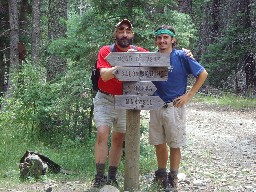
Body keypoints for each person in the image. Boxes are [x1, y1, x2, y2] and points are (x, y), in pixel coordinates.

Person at [149, 25, 208, 192]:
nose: (162, 41)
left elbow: (202, 73)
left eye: (165, 38)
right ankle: (161, 176)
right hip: (155, 105)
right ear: (156, 40)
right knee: (159, 143)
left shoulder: (182, 56)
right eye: (159, 38)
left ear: (172, 39)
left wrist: (188, 96)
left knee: (175, 144)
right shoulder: (151, 58)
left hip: (174, 106)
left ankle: (173, 178)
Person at [92, 19, 148, 188]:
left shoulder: (140, 51)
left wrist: (183, 52)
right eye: (121, 30)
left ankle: (112, 177)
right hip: (105, 98)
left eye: (128, 31)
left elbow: (159, 59)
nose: (124, 34)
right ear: (115, 34)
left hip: (126, 99)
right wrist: (123, 62)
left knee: (118, 138)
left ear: (132, 34)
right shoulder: (106, 51)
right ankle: (99, 178)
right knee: (102, 133)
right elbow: (104, 75)